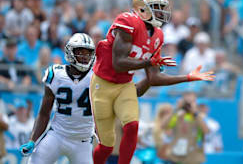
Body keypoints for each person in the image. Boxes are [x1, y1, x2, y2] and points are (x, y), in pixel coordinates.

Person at [90, 0, 215, 164]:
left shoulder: (158, 35)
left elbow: (153, 79)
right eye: (156, 7)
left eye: (161, 8)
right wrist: (149, 63)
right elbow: (118, 64)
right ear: (141, 8)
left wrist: (188, 77)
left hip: (125, 83)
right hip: (103, 83)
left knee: (132, 126)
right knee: (106, 146)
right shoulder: (128, 22)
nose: (160, 12)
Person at [18, 33, 152, 163]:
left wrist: (150, 78)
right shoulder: (56, 75)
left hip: (83, 142)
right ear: (70, 52)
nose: (84, 56)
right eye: (80, 52)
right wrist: (32, 140)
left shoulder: (100, 75)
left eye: (88, 53)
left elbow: (133, 91)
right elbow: (44, 113)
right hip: (57, 135)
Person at [162, 92, 209, 164]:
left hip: (193, 158)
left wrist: (195, 113)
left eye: (191, 102)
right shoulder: (177, 115)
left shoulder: (200, 117)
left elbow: (206, 131)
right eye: (186, 102)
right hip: (176, 157)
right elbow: (164, 126)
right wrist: (176, 109)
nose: (188, 105)